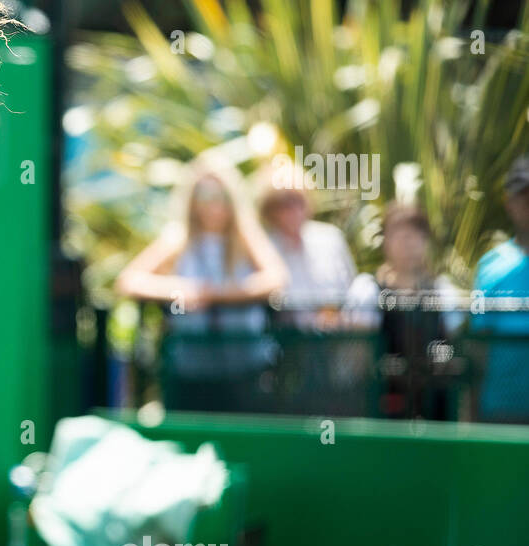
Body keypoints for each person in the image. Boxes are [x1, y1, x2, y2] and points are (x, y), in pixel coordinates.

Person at [116, 159, 287, 413]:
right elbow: (129, 280)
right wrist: (181, 289)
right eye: (204, 196)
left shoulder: (246, 238)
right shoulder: (178, 239)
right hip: (191, 368)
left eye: (220, 196)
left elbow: (276, 279)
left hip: (244, 366)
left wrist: (218, 294)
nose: (213, 205)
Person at [344, 203, 463, 419]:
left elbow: (456, 352)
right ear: (386, 241)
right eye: (399, 234)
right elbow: (358, 358)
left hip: (436, 414)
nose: (408, 243)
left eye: (415, 234)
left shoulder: (444, 291)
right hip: (381, 412)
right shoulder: (367, 289)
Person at [470, 155, 529, 423]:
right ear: (510, 204)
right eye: (524, 197)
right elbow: (477, 348)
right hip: (500, 415)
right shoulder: (489, 267)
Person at [257, 172, 357, 330]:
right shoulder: (263, 246)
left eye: (299, 200)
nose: (294, 210)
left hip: (336, 339)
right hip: (286, 342)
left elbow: (352, 291)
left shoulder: (330, 238)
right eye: (285, 204)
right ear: (270, 210)